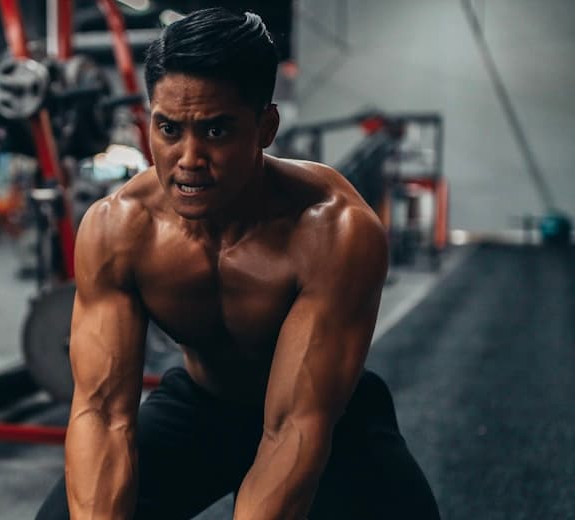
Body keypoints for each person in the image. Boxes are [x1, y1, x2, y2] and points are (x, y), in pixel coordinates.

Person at [37, 7, 439, 519]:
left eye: (217, 131)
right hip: (201, 407)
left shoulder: (333, 230)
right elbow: (102, 414)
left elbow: (293, 427)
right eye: (168, 128)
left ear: (265, 126)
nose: (187, 158)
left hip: (327, 418)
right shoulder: (120, 229)